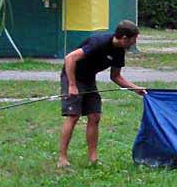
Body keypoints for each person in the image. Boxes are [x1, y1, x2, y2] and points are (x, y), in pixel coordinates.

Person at [58, 20, 146, 168]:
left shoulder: (119, 51)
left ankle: (93, 158)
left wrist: (135, 88)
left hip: (88, 79)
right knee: (73, 116)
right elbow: (70, 58)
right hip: (72, 76)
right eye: (134, 39)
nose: (134, 42)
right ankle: (62, 158)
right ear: (124, 38)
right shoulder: (98, 42)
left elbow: (116, 76)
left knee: (95, 116)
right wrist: (72, 85)